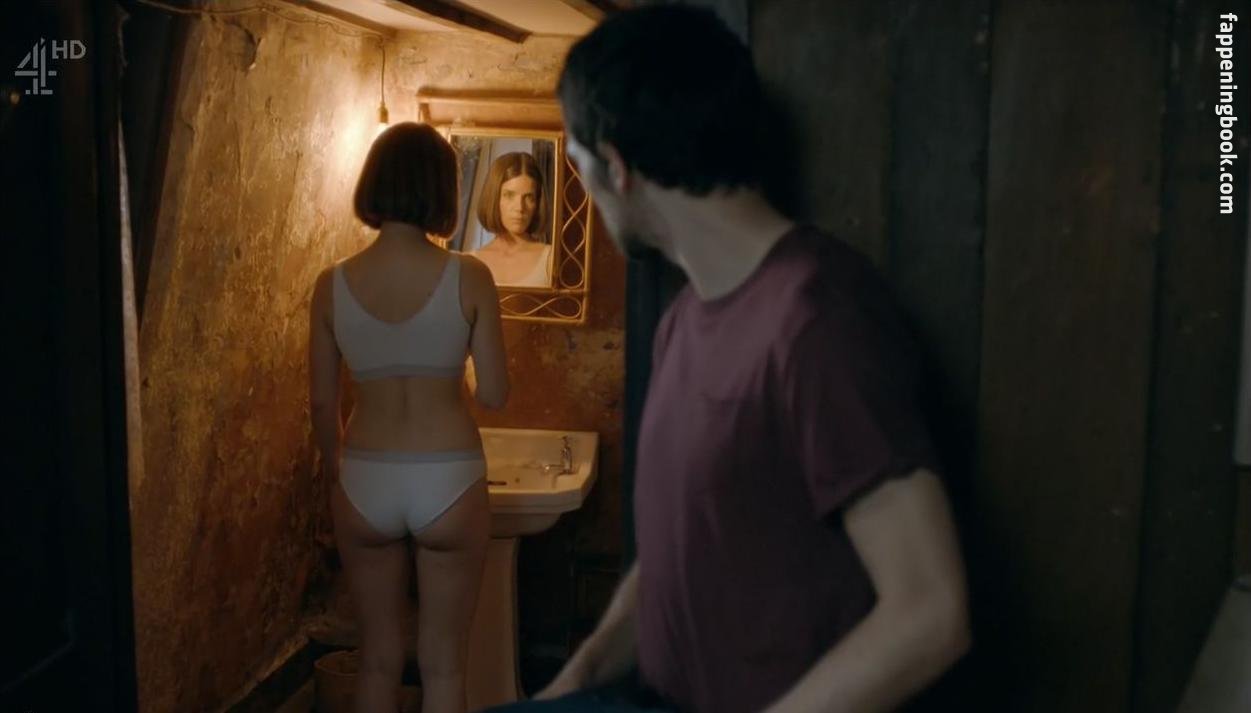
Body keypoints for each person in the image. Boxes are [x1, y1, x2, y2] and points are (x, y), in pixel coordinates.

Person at [488, 6, 969, 713]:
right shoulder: (683, 320)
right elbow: (676, 555)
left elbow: (929, 610)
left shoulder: (816, 317)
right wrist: (575, 681)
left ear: (616, 166)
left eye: (577, 161)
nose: (579, 182)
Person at [308, 122, 509, 713]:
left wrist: (335, 473)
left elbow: (321, 402)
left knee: (377, 659)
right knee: (444, 666)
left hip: (365, 475)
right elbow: (495, 394)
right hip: (448, 476)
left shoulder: (331, 284)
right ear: (441, 189)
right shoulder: (470, 276)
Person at [470, 151, 552, 287]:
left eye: (529, 197)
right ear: (494, 198)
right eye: (509, 195)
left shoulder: (551, 260)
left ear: (538, 203)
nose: (520, 207)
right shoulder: (471, 262)